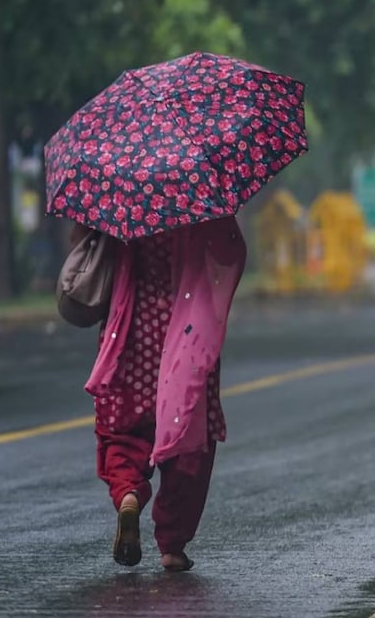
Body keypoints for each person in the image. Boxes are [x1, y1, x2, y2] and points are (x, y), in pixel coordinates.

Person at [73, 216, 246, 570]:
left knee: (121, 430)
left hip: (131, 332)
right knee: (188, 439)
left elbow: (83, 244)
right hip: (186, 335)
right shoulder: (200, 201)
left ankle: (129, 493)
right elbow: (231, 250)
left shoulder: (122, 197)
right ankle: (172, 544)